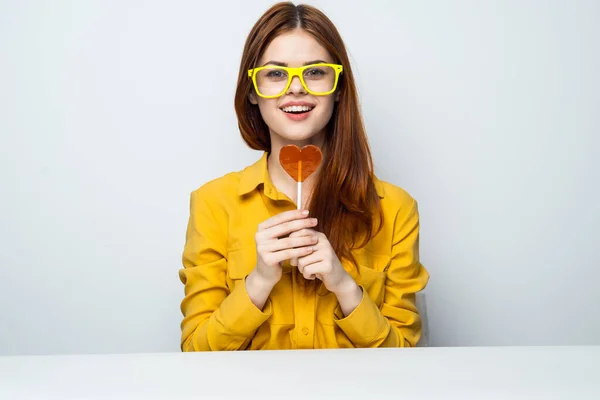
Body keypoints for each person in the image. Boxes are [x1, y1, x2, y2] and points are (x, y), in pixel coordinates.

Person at [178, 2, 429, 351]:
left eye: (314, 72)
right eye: (276, 74)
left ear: (339, 86)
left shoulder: (396, 209)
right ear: (252, 91)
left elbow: (407, 357)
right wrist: (260, 281)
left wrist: (344, 286)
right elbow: (194, 352)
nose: (295, 88)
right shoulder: (212, 204)